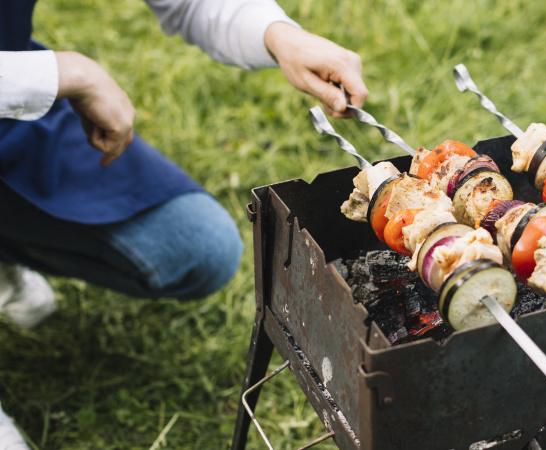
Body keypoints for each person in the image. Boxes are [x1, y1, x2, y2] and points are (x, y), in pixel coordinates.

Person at [0, 0, 368, 446]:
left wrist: (278, 35)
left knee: (198, 247)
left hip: (14, 112)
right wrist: (66, 74)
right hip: (29, 83)